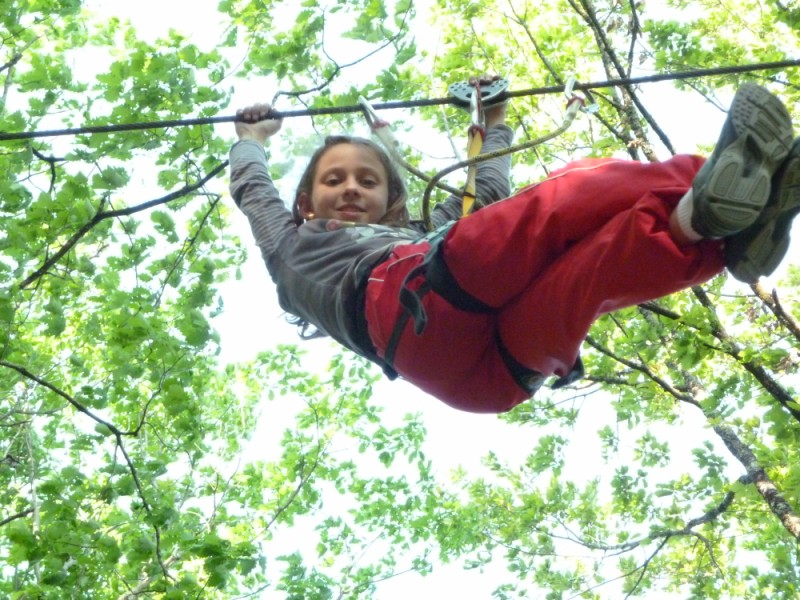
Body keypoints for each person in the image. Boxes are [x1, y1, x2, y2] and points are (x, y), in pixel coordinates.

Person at [229, 80, 800, 414]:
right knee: (564, 195)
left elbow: (487, 194)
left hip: (488, 376)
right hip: (421, 310)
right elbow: (254, 191)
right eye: (334, 180)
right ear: (306, 203)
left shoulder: (419, 236)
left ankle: (709, 227)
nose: (351, 188)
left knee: (591, 270)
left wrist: (495, 122)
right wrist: (251, 139)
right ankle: (709, 177)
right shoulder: (290, 246)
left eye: (367, 180)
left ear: (391, 201)